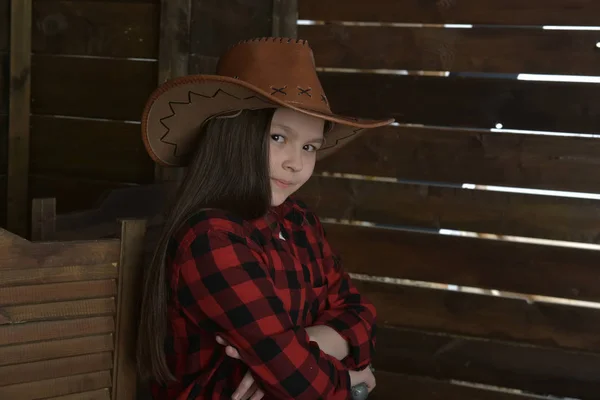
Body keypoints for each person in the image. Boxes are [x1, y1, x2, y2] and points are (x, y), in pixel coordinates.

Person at [136, 37, 395, 399]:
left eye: (309, 147)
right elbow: (297, 383)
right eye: (278, 137)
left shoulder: (299, 222)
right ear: (233, 137)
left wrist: (297, 348)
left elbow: (359, 314)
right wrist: (353, 379)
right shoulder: (210, 238)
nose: (296, 161)